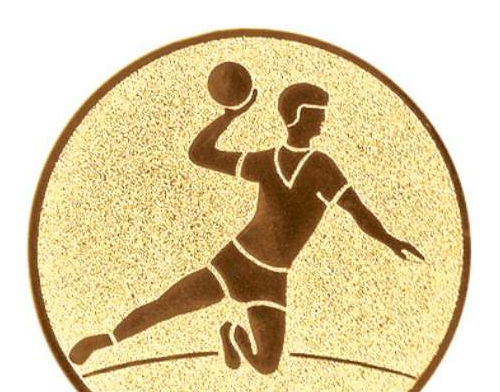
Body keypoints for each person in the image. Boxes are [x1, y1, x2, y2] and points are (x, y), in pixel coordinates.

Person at [69, 80, 423, 374]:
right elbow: (200, 154)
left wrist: (390, 240)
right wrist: (229, 116)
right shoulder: (266, 161)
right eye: (317, 115)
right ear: (298, 116)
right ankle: (104, 340)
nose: (322, 123)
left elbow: (357, 211)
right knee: (167, 305)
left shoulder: (321, 167)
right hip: (236, 261)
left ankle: (232, 336)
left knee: (267, 365)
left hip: (273, 277)